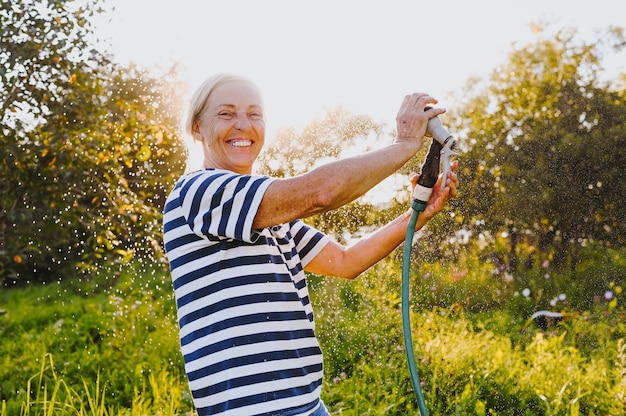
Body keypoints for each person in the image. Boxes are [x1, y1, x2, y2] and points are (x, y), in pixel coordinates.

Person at [162, 73, 459, 416]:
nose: (243, 125)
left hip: (306, 406)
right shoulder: (199, 192)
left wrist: (416, 217)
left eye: (254, 114)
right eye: (226, 114)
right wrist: (404, 146)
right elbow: (322, 193)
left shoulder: (270, 216)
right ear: (197, 128)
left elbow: (345, 261)